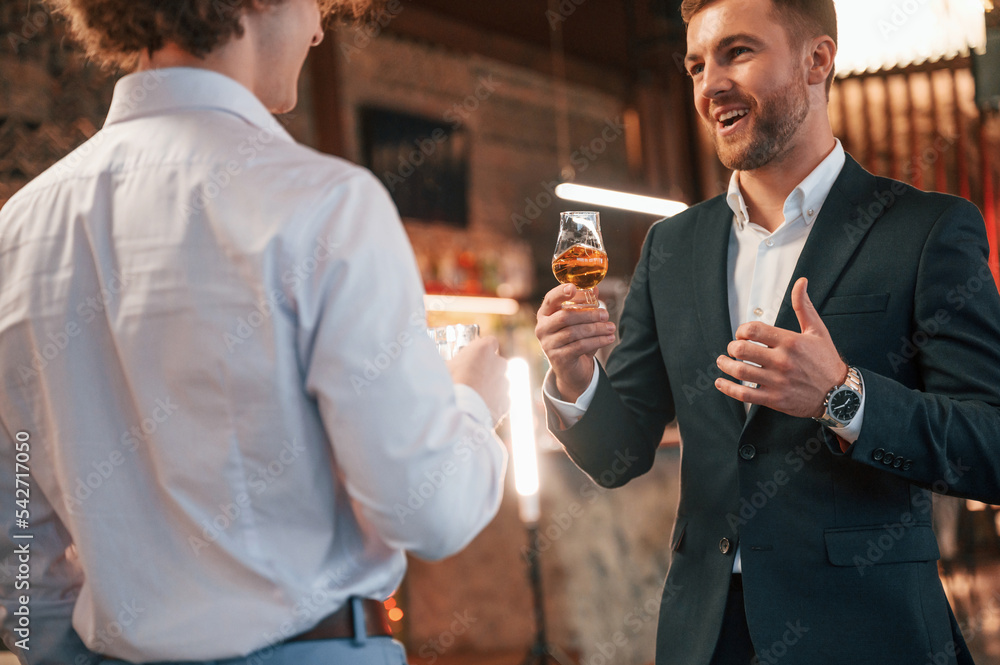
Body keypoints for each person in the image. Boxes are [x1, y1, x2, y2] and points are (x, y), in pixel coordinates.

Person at [0, 1, 509, 663]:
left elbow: (17, 538)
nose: (322, 26)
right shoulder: (325, 202)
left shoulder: (17, 232)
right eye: (317, 3)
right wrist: (471, 402)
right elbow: (427, 511)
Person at [536, 0, 1000, 663]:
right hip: (707, 638)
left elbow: (991, 443)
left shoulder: (925, 230)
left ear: (818, 60)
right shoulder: (672, 247)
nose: (708, 85)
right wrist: (575, 377)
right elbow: (619, 455)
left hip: (869, 634)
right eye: (696, 65)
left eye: (738, 53)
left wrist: (844, 396)